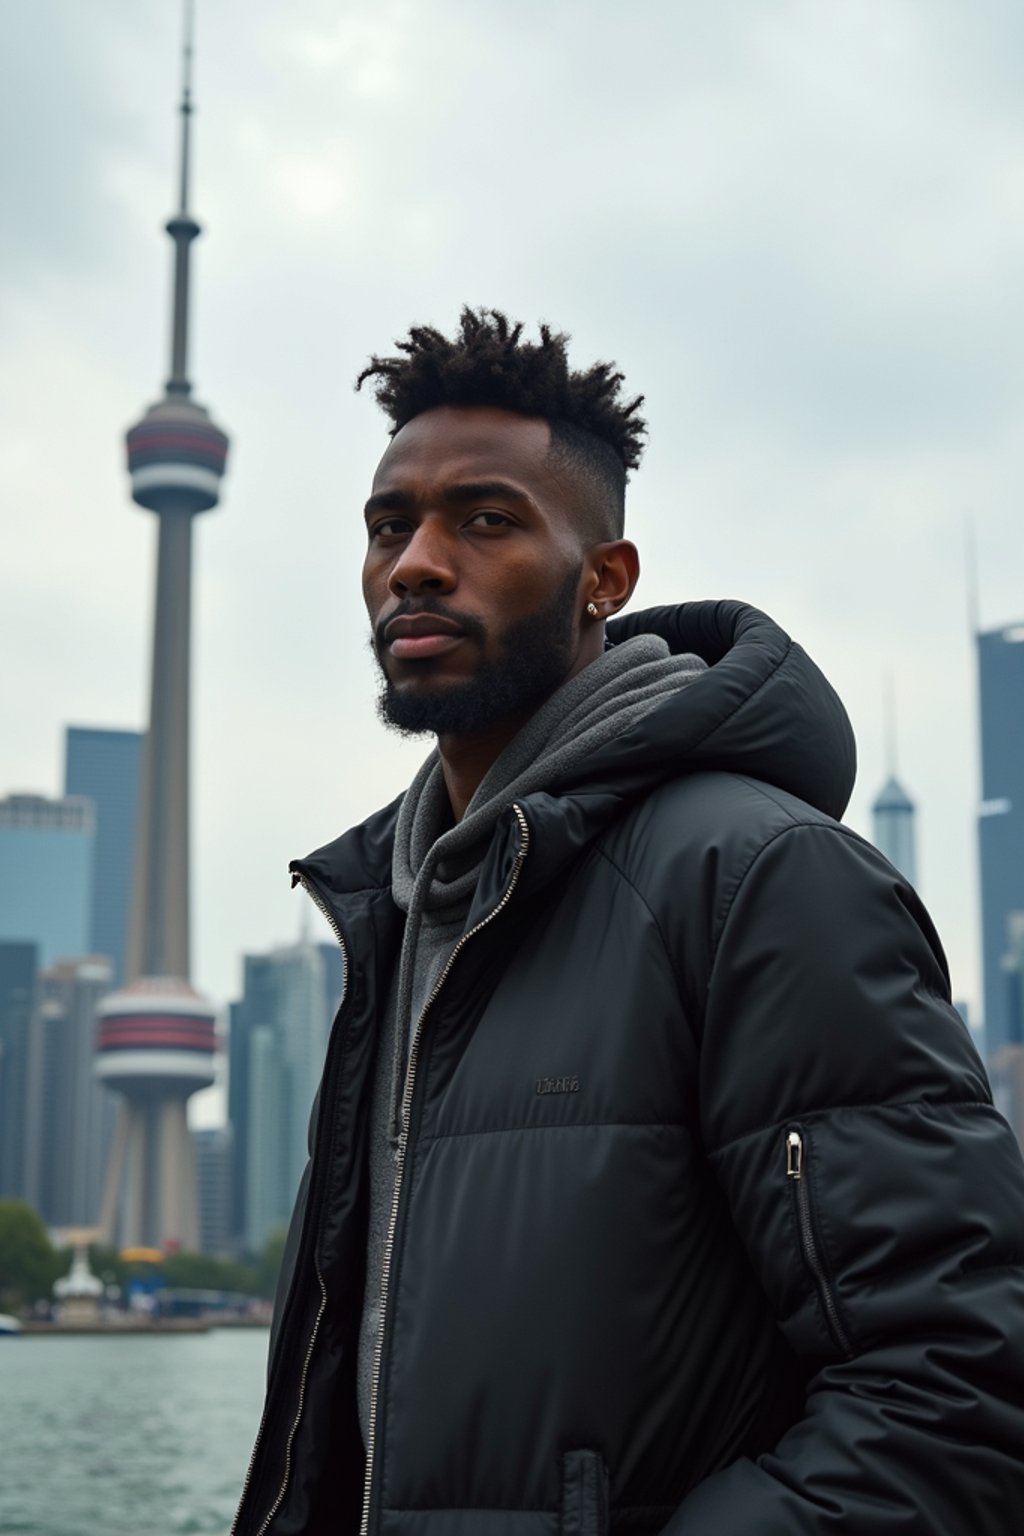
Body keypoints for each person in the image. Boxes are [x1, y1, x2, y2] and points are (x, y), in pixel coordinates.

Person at [232, 309, 1024, 1536]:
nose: (415, 564)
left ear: (606, 577)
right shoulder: (396, 920)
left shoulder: (760, 878)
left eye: (483, 520)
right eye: (391, 526)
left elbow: (958, 1386)